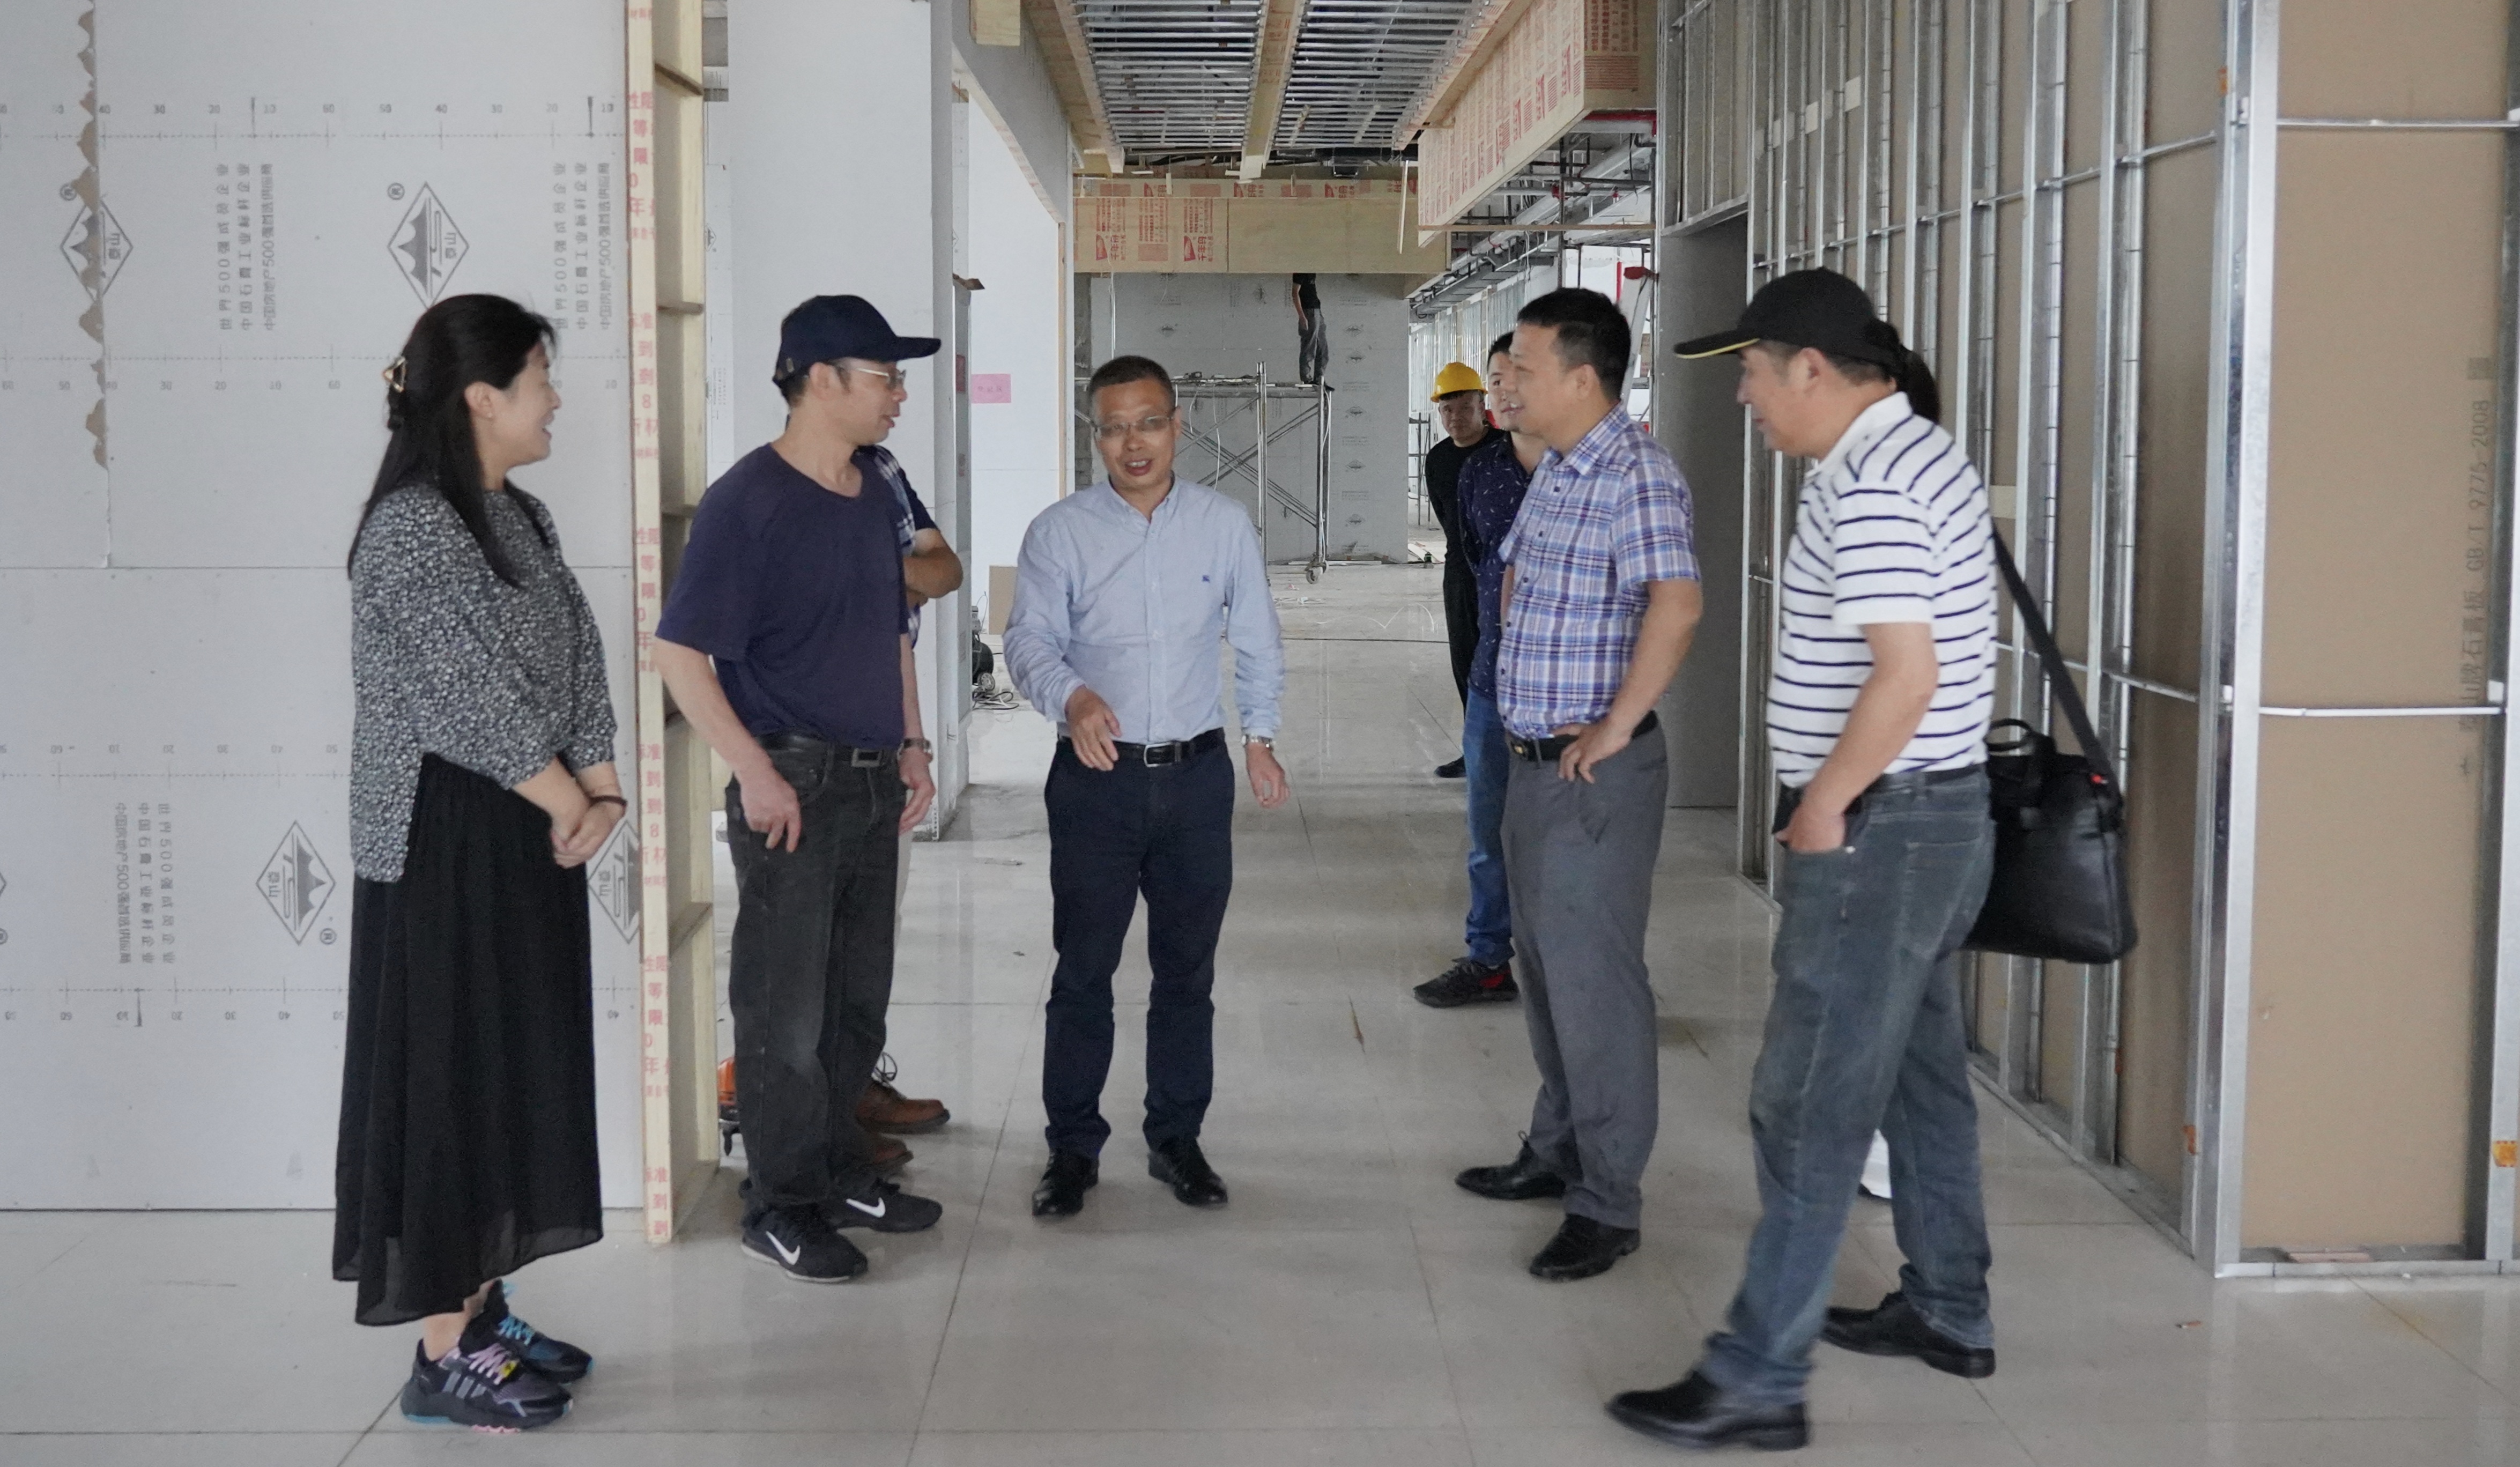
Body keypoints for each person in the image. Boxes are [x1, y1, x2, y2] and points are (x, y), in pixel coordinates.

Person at [1606, 269, 1997, 1453]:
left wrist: (1826, 802)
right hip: (1933, 820)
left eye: (1751, 374)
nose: (1744, 399)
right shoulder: (1917, 452)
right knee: (1920, 1076)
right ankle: (1950, 1306)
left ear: (1812, 369)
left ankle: (1757, 1375)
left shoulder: (1873, 485)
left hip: (1882, 828)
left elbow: (1905, 675)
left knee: (1808, 1097)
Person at [337, 293, 618, 1431]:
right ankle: (443, 1351)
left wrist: (601, 784)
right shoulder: (410, 528)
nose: (556, 400)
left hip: (525, 824)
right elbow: (461, 695)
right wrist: (570, 797)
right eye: (541, 380)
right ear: (482, 398)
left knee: (509, 1069)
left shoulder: (518, 513)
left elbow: (577, 654)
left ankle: (485, 1308)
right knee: (449, 1079)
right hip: (444, 837)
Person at [654, 294, 944, 1285]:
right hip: (796, 783)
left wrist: (913, 743)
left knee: (857, 999)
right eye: (885, 376)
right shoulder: (749, 502)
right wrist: (752, 770)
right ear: (822, 380)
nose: (899, 394)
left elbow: (891, 632)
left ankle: (839, 1171)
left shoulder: (867, 494)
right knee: (786, 1015)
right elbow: (679, 653)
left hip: (870, 778)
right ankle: (777, 1205)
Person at [1453, 288, 1702, 1284]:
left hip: (1591, 770)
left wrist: (1615, 721)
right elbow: (1515, 578)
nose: (1505, 382)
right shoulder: (1558, 467)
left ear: (1583, 377)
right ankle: (1557, 1149)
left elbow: (1676, 605)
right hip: (1533, 761)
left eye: (1522, 366)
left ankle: (1608, 1201)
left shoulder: (1636, 474)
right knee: (1547, 971)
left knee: (1596, 985)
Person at [1005, 353, 1290, 1219]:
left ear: (1178, 426)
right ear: (1095, 436)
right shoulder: (1059, 533)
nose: (1134, 443)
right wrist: (1072, 696)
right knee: (1083, 970)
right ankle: (1071, 1148)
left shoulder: (1222, 525)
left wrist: (1261, 737)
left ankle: (1177, 1138)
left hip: (1196, 781)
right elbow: (1028, 642)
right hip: (1096, 784)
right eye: (1115, 428)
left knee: (1187, 973)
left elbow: (1258, 636)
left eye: (1150, 423)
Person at [1414, 334, 1541, 1008]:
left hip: (1569, 691)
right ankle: (1489, 958)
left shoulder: (1593, 471)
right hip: (1495, 675)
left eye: (1513, 378)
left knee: (1566, 843)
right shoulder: (1475, 472)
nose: (1503, 391)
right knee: (1486, 832)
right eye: (1495, 379)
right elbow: (1475, 552)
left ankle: (1568, 968)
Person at [1423, 360, 1501, 777]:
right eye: (1447, 409)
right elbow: (1447, 517)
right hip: (1459, 571)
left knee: (1505, 660)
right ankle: (1476, 750)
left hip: (1503, 572)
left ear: (1482, 406)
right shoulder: (1438, 460)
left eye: (1465, 407)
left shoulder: (1507, 449)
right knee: (1466, 661)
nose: (1456, 417)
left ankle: (1513, 750)